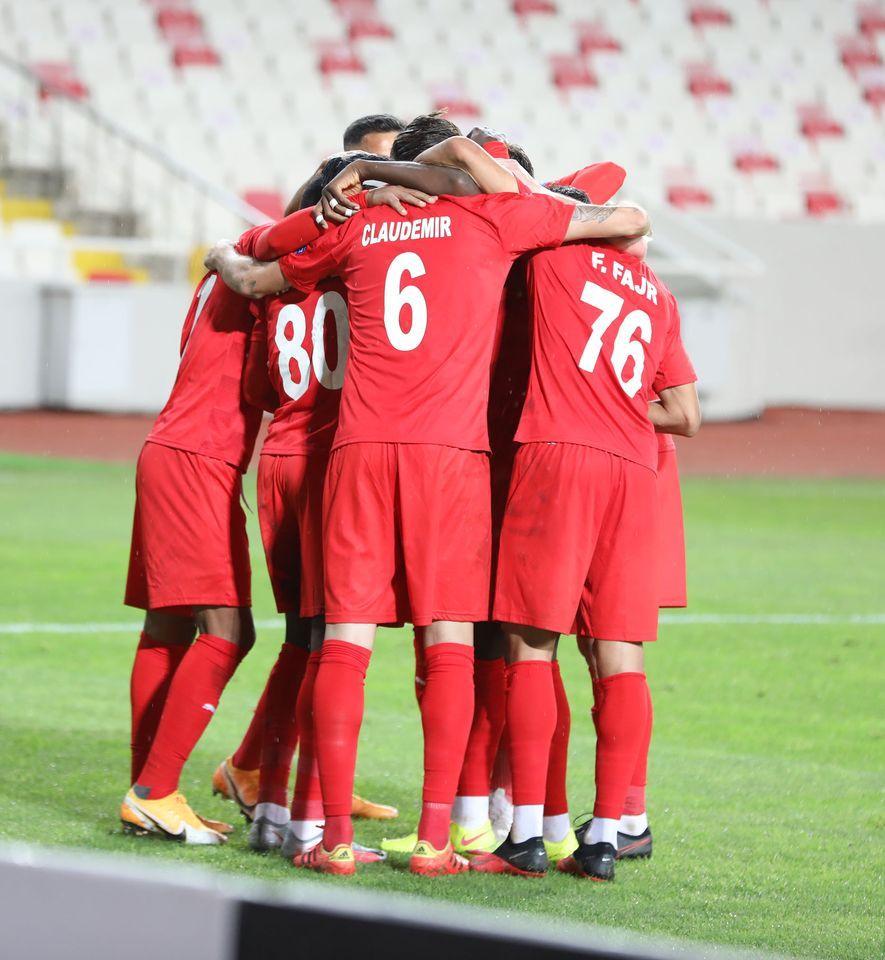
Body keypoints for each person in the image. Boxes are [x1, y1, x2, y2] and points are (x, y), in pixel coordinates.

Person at [205, 144, 648, 877]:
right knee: (450, 642)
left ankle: (332, 839)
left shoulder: (361, 224)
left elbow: (257, 275)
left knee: (342, 639)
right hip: (451, 456)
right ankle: (440, 837)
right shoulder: (496, 218)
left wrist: (227, 250)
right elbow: (628, 217)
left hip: (358, 451)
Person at [470, 224, 698, 881]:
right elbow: (686, 413)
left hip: (559, 456)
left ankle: (525, 837)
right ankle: (607, 836)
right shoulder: (656, 294)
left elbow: (511, 212)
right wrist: (618, 406)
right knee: (620, 654)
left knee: (530, 644)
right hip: (635, 471)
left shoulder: (555, 260)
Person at [120, 201, 330, 843]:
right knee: (228, 633)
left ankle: (149, 791)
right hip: (198, 458)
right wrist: (359, 194)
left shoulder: (239, 262)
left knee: (167, 630)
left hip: (175, 448)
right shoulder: (262, 247)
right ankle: (154, 790)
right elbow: (264, 388)